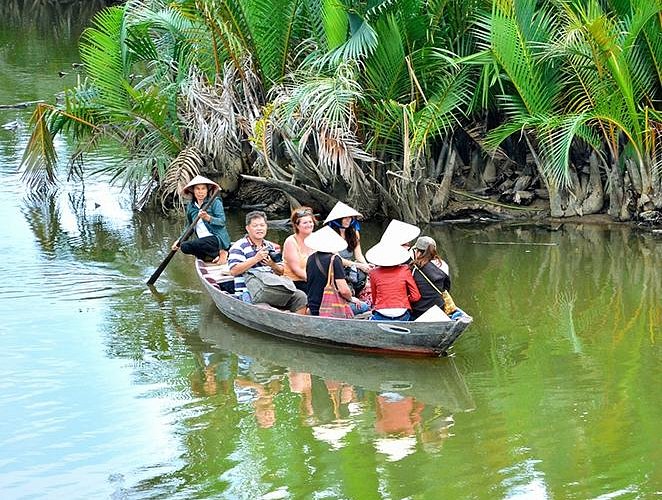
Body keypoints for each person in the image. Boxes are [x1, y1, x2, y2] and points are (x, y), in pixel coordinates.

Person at [228, 210, 307, 313]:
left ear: (266, 227)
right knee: (265, 309)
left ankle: (298, 325)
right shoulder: (239, 246)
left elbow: (281, 271)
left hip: (271, 290)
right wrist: (255, 259)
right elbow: (234, 271)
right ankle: (283, 319)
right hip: (249, 292)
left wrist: (272, 265)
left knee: (300, 297)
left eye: (262, 225)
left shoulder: (269, 246)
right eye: (255, 226)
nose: (259, 228)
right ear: (248, 228)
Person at [304, 225, 369, 316]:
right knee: (365, 306)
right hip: (328, 307)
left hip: (313, 306)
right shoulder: (334, 260)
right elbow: (344, 290)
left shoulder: (310, 258)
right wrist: (351, 299)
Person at [171, 175, 231, 264]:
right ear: (193, 191)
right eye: (197, 189)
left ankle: (222, 252)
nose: (200, 192)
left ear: (207, 190)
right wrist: (179, 240)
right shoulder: (191, 207)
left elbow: (221, 222)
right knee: (184, 247)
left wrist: (208, 218)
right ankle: (215, 256)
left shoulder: (215, 202)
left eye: (203, 189)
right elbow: (189, 227)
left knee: (194, 244)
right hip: (203, 242)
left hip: (216, 239)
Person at [323, 201, 372, 293]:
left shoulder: (353, 232)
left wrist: (366, 266)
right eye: (345, 218)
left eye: (350, 217)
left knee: (363, 274)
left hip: (349, 266)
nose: (348, 220)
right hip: (334, 267)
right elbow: (337, 259)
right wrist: (359, 265)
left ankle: (357, 293)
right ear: (338, 219)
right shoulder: (329, 234)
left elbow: (358, 255)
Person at [365, 242, 421, 321]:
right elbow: (416, 296)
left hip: (381, 313)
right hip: (402, 313)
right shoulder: (405, 270)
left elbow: (374, 297)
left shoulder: (373, 273)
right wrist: (403, 299)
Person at [409, 236, 451, 319]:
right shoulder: (443, 265)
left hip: (417, 311)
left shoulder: (413, 267)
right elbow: (446, 288)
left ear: (418, 252)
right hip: (438, 309)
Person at [282, 206, 316, 293]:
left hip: (314, 279)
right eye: (305, 223)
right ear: (297, 225)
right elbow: (296, 270)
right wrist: (315, 281)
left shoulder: (317, 238)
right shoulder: (291, 241)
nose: (309, 225)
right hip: (296, 281)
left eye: (310, 222)